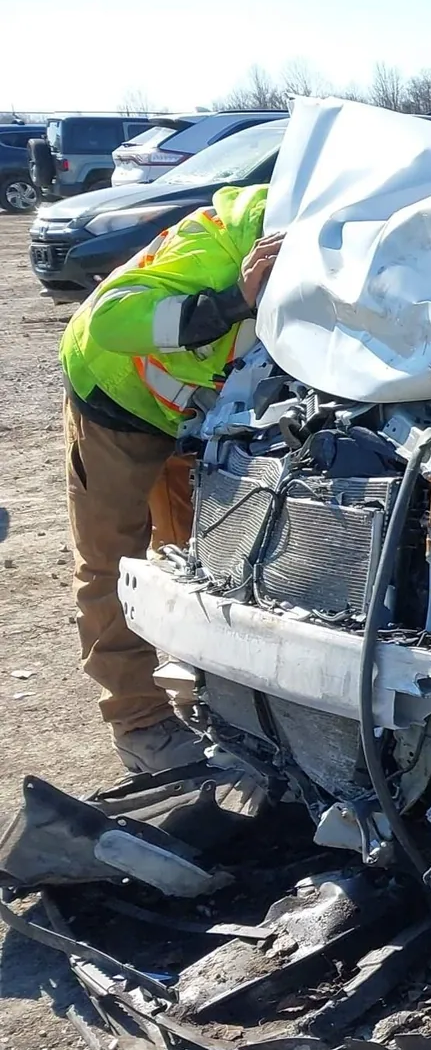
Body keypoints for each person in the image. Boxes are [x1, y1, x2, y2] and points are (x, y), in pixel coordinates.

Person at [59, 185, 284, 774]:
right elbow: (113, 319)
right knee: (113, 560)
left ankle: (210, 700)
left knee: (205, 560)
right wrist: (229, 303)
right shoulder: (225, 244)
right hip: (116, 395)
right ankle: (139, 722)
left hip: (198, 415)